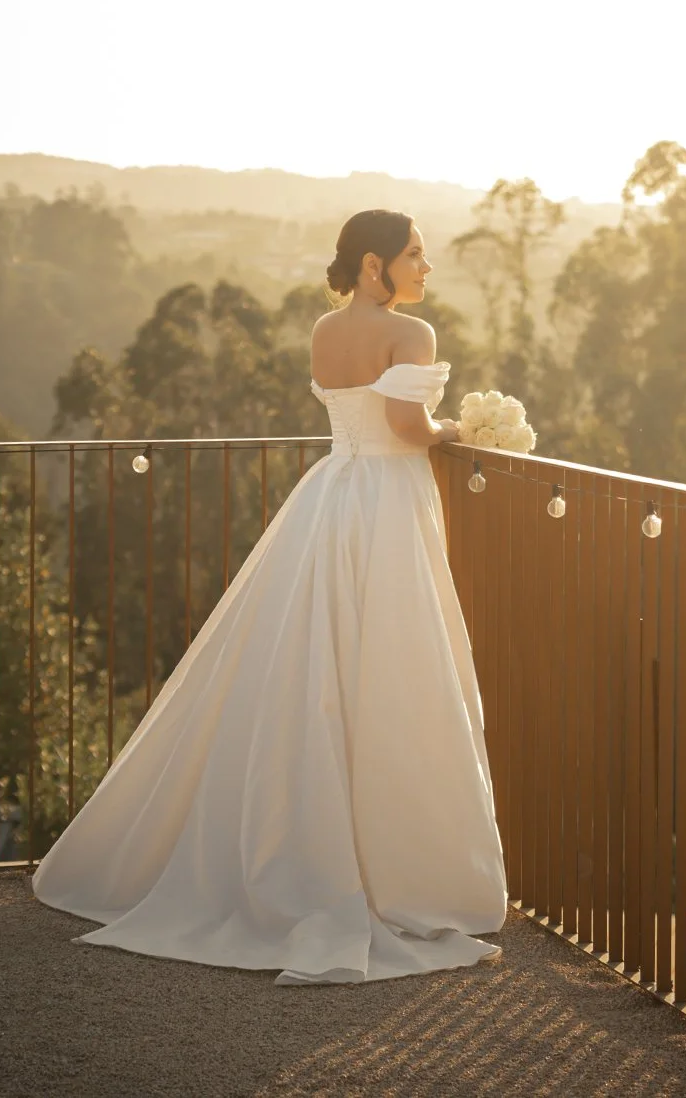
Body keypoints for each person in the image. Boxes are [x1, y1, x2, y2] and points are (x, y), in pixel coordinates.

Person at [30, 208, 507, 985]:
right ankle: (404, 868)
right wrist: (461, 430)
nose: (427, 268)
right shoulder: (412, 336)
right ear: (374, 266)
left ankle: (305, 847)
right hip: (386, 502)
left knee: (311, 664)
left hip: (329, 497)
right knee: (394, 667)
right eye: (415, 256)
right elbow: (407, 428)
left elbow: (354, 415)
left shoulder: (324, 329)